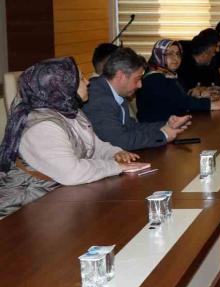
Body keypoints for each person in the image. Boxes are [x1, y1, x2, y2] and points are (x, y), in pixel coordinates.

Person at [0, 57, 147, 190]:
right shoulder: (42, 127)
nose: (88, 82)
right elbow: (72, 173)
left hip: (63, 193)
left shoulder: (70, 111)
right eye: (81, 79)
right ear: (61, 86)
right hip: (31, 201)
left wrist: (115, 153)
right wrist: (116, 166)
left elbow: (94, 146)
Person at [83, 48, 192, 150]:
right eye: (137, 79)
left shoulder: (116, 91)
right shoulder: (98, 98)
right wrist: (163, 135)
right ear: (120, 76)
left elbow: (131, 127)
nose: (140, 85)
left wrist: (167, 125)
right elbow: (120, 140)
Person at [137, 39, 220, 123]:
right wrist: (210, 104)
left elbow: (179, 96)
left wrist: (198, 94)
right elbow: (180, 102)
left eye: (178, 54)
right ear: (159, 55)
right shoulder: (153, 78)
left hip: (171, 124)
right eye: (170, 54)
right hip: (156, 128)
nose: (175, 58)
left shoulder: (170, 74)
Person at [178, 31, 220, 99]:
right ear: (207, 48)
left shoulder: (212, 62)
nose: (218, 50)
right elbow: (190, 95)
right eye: (216, 46)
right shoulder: (182, 66)